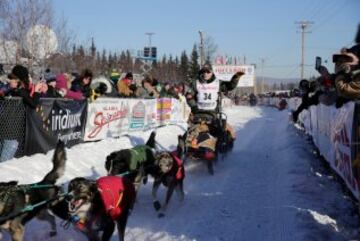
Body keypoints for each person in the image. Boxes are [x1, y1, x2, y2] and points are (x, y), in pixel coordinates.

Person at [185, 63, 244, 152]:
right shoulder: (195, 83)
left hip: (213, 114)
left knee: (226, 131)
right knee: (193, 130)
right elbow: (189, 96)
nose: (205, 73)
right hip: (198, 113)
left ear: (212, 72)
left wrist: (235, 78)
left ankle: (221, 148)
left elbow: (230, 86)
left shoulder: (217, 83)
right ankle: (193, 142)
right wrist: (194, 107)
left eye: (208, 71)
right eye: (204, 71)